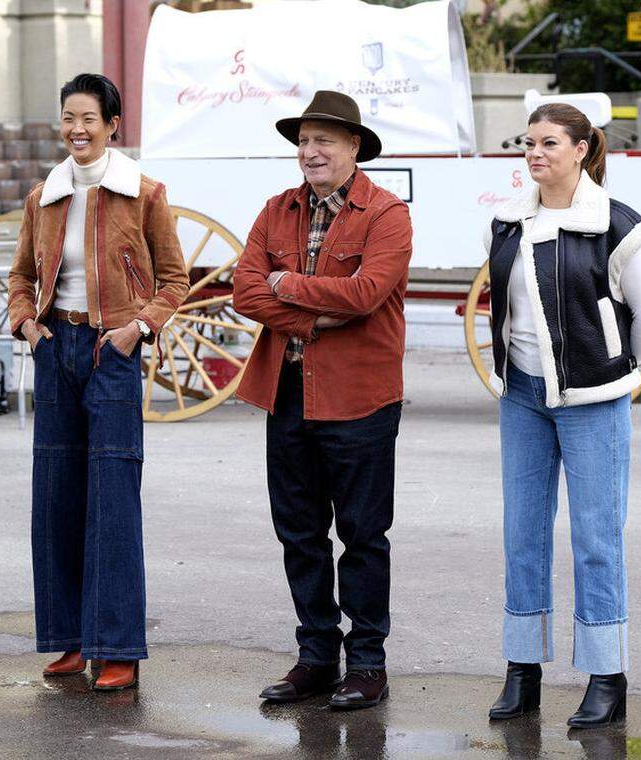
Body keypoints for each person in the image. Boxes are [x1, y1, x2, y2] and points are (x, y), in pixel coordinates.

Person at [484, 102, 641, 727]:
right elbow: (503, 310)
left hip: (594, 400)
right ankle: (521, 670)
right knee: (521, 534)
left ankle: (606, 677)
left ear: (583, 149)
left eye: (550, 143)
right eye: (528, 143)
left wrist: (623, 377)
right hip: (523, 399)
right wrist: (510, 374)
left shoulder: (616, 225)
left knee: (595, 538)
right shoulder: (507, 221)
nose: (535, 154)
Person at [7, 73, 189, 691]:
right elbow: (20, 278)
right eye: (67, 118)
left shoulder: (145, 193)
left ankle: (116, 649)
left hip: (113, 349)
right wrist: (28, 327)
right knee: (56, 495)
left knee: (113, 495)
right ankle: (67, 641)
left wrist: (139, 328)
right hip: (56, 347)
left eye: (88, 118)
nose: (76, 129)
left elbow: (174, 280)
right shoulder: (44, 196)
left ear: (113, 124)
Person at [232, 90, 412, 710]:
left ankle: (367, 663)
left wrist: (288, 287)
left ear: (354, 147)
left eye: (325, 140)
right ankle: (315, 657)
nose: (310, 151)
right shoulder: (276, 209)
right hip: (286, 395)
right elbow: (245, 291)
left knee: (364, 535)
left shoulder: (387, 214)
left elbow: (364, 294)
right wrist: (311, 318)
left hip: (361, 398)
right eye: (304, 140)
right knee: (299, 533)